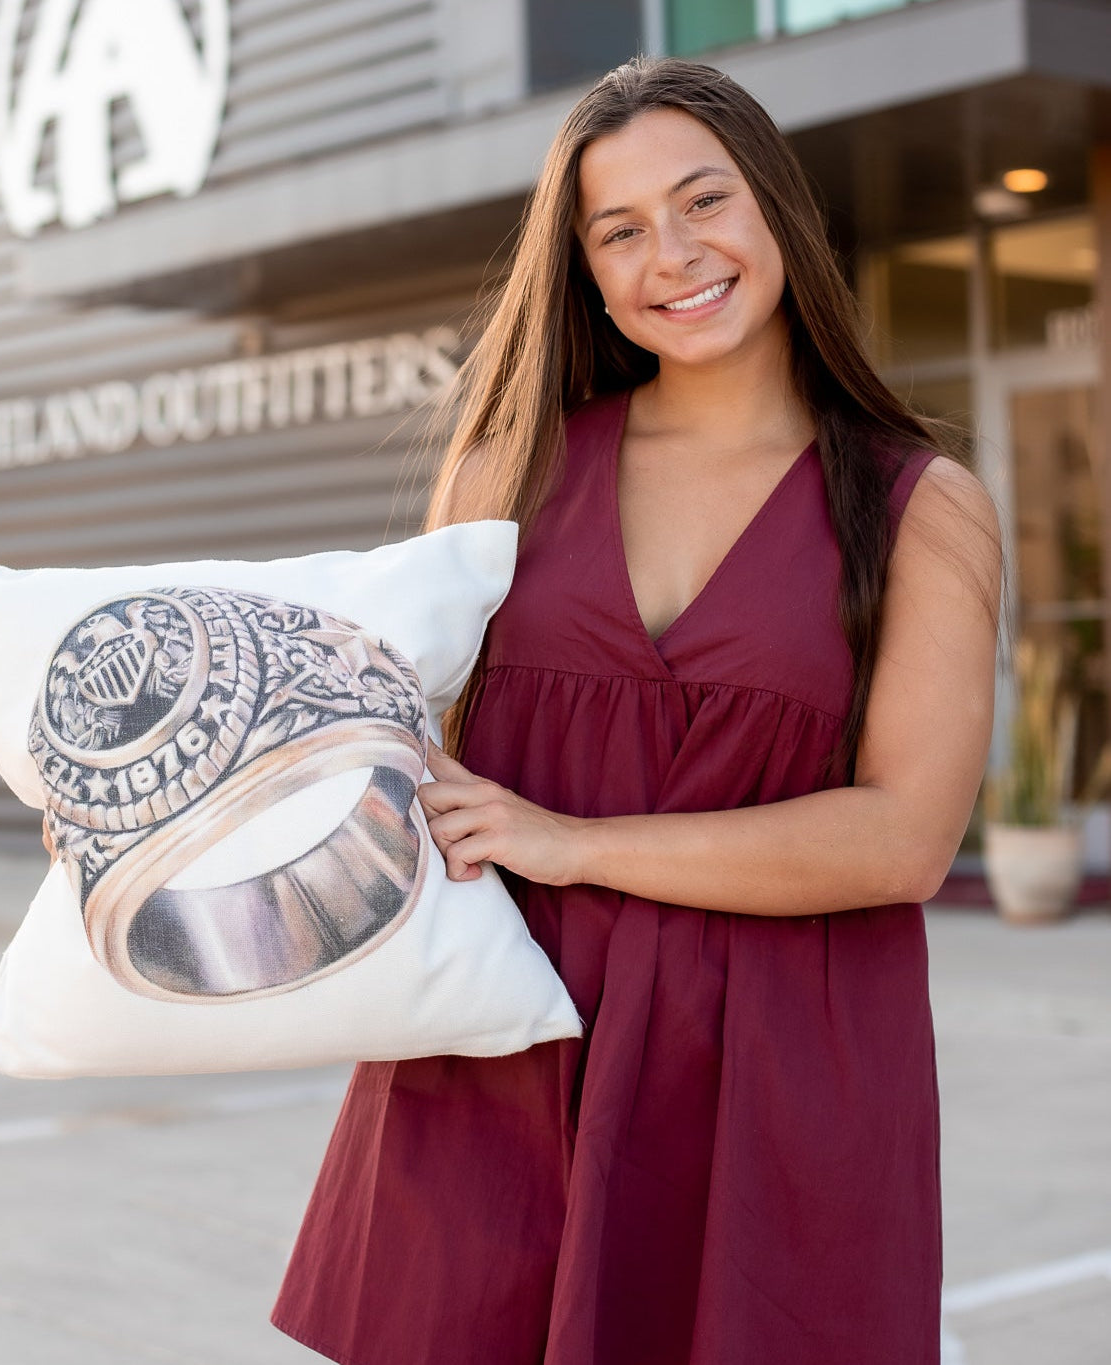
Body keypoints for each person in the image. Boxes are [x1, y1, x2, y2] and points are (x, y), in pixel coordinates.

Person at [267, 54, 1003, 1365]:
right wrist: (179, 811)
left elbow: (902, 839)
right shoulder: (511, 463)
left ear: (776, 209)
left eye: (702, 201)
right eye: (619, 230)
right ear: (588, 271)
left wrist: (571, 841)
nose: (671, 253)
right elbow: (382, 737)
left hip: (774, 1075)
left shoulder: (917, 506)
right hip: (504, 1040)